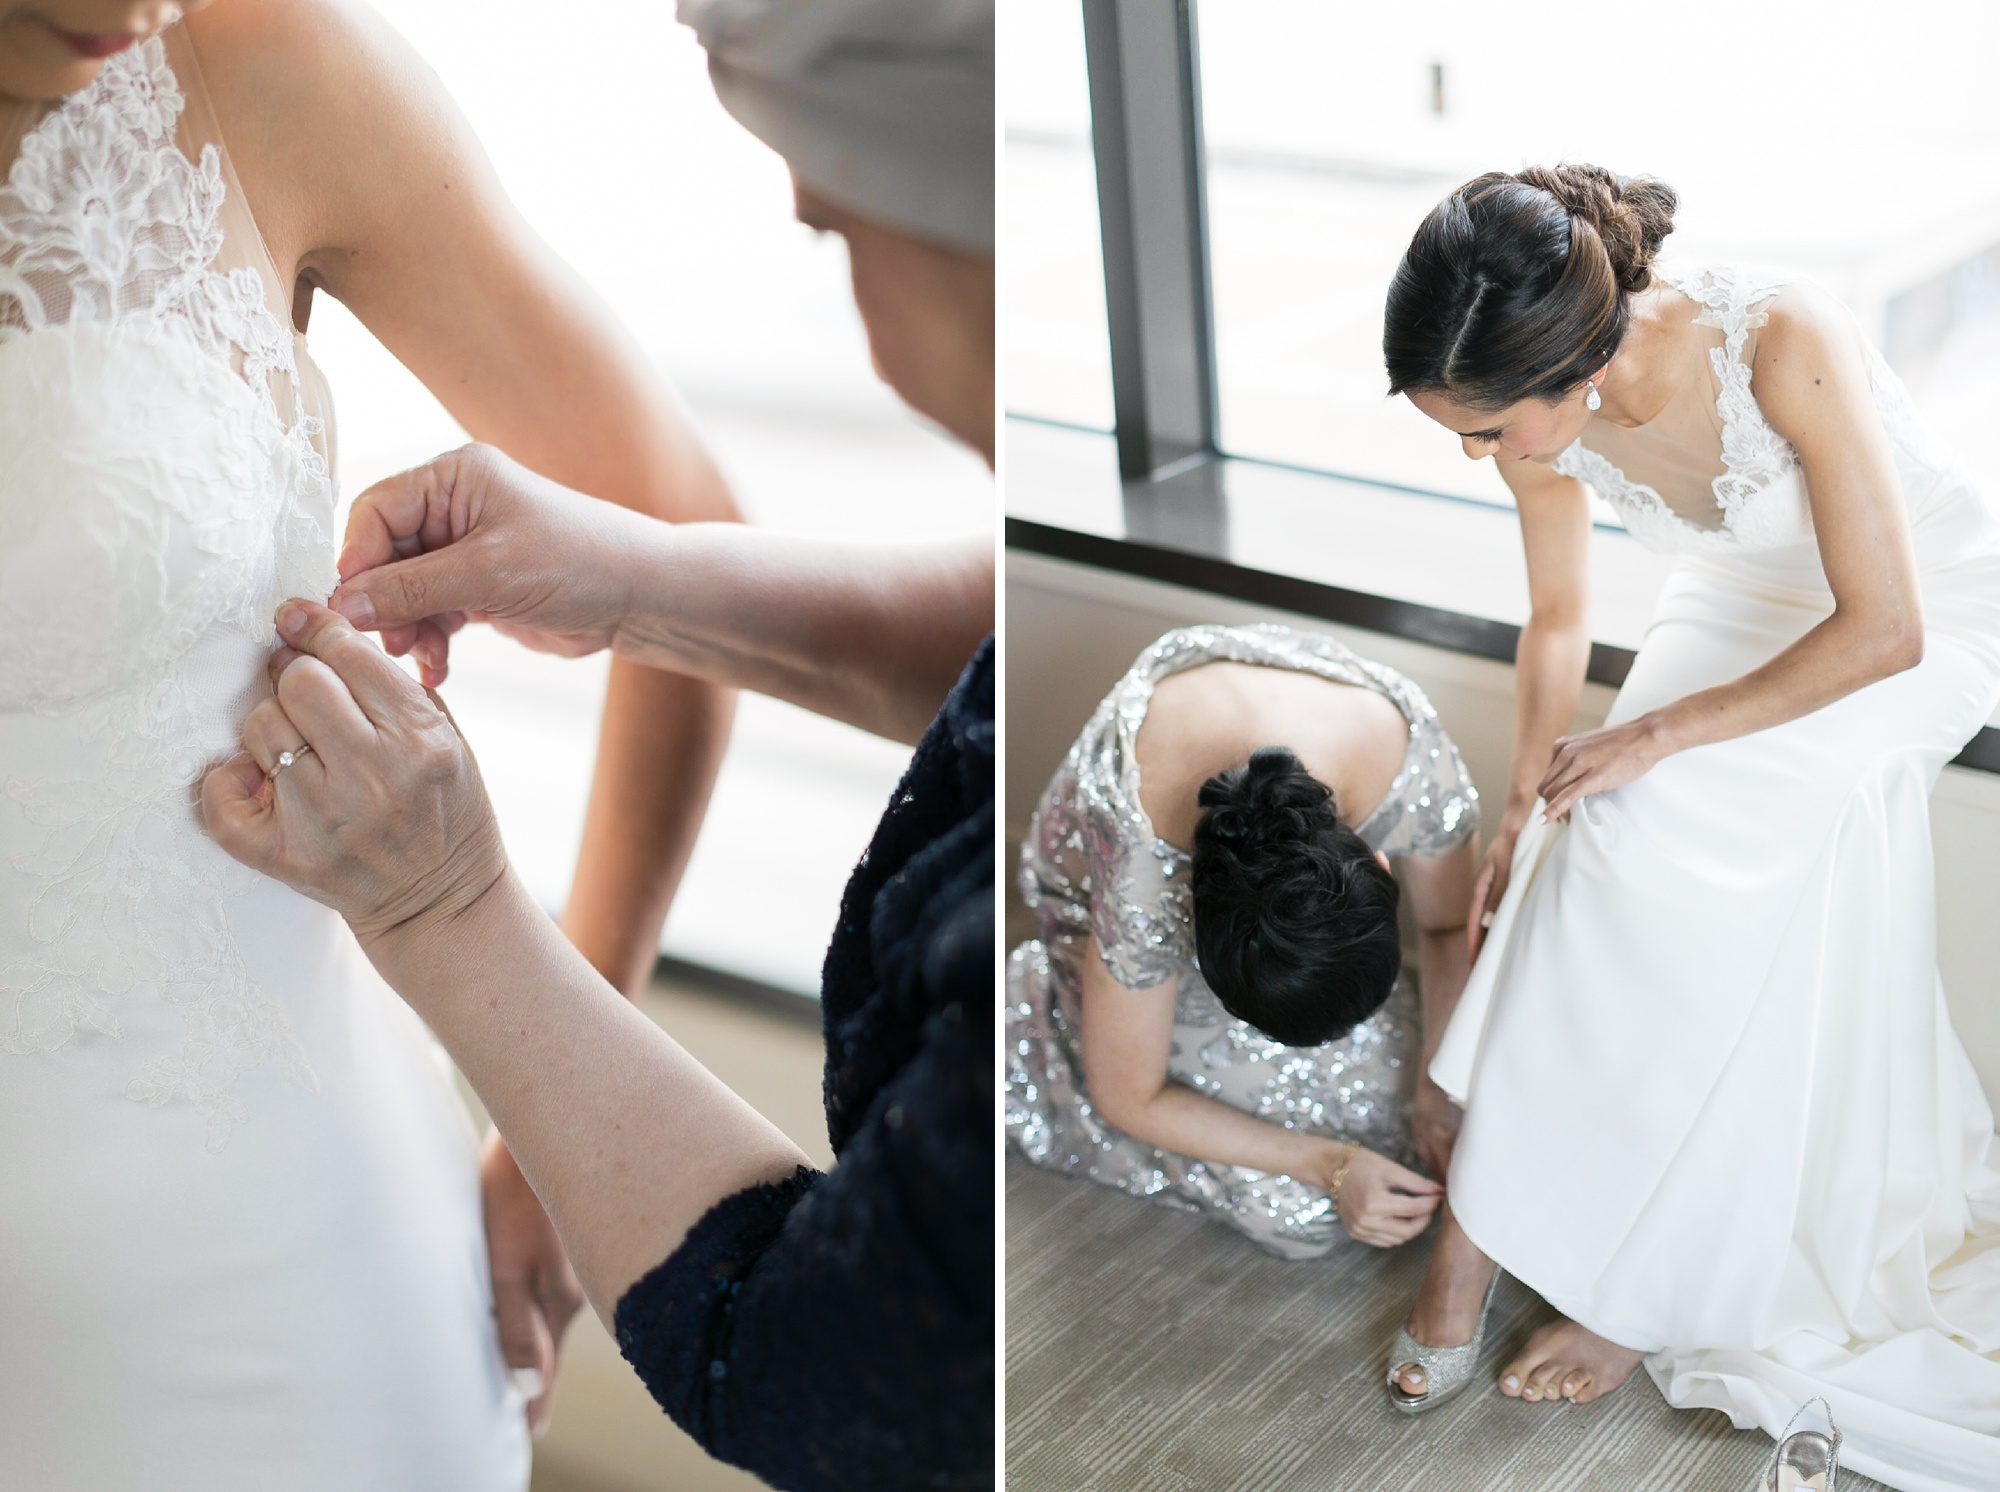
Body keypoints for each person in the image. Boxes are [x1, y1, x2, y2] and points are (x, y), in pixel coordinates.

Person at [197, 1, 997, 1488]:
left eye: (830, 223)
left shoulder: (262, 68)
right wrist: (637, 580)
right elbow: (1000, 654)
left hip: (253, 1217)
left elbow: (825, 1368)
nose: (810, 226)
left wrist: (451, 911)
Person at [0, 0, 745, 1481]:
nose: (128, 11)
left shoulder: (264, 70)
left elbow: (685, 548)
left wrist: (558, 1136)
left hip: (276, 1284)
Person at [1379, 162, 2000, 1487]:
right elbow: (1558, 616)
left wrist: (1655, 736)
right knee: (1575, 828)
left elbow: (1885, 629)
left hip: (1924, 613)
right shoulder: (1535, 417)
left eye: (1488, 429)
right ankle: (1469, 1242)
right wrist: (1522, 799)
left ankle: (1643, 1280)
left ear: (1573, 365)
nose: (1479, 454)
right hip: (1739, 595)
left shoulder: (1780, 334)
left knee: (1657, 816)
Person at [1007, 623, 1479, 1257]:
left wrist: (1436, 1087)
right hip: (1100, 915)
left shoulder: (1412, 761)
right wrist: (1330, 1165)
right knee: (1301, 1211)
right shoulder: (1142, 883)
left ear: (1378, 866)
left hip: (1245, 910)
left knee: (1412, 1119)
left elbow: (1447, 925)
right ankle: (1039, 1019)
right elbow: (1128, 1096)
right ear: (1197, 947)